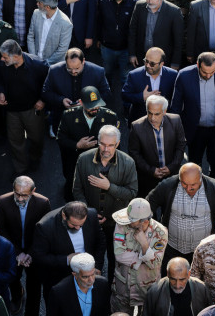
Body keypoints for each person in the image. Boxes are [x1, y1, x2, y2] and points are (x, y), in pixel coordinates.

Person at [73, 124, 138, 279]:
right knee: (88, 259)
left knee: (115, 259)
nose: (106, 149)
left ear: (117, 144)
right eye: (102, 144)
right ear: (98, 142)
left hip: (115, 223)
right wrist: (88, 212)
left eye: (111, 145)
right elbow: (77, 190)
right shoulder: (84, 159)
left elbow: (132, 194)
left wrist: (109, 187)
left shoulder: (128, 163)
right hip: (89, 221)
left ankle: (110, 292)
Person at [146, 163, 215, 267]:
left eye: (193, 185)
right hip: (172, 249)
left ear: (201, 179)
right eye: (184, 184)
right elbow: (149, 203)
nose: (188, 188)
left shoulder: (214, 186)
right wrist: (154, 229)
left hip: (204, 251)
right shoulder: (168, 185)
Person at [170, 51, 215, 176]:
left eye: (212, 72)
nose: (208, 75)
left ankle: (213, 189)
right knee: (194, 164)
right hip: (195, 129)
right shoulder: (184, 75)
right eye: (204, 72)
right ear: (197, 65)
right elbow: (176, 106)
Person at [31, 201, 107, 303]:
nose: (78, 228)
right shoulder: (45, 226)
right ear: (64, 215)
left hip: (88, 274)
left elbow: (101, 242)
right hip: (59, 276)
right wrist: (66, 259)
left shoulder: (92, 214)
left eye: (81, 225)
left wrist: (97, 266)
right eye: (73, 225)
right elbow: (39, 257)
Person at [0, 176, 52, 315]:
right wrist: (17, 253)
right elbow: (1, 230)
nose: (20, 198)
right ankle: (17, 296)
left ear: (33, 191)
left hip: (34, 250)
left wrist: (30, 253)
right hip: (12, 249)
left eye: (24, 195)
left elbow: (44, 232)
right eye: (17, 194)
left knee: (34, 286)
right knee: (12, 278)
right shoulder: (2, 201)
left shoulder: (43, 203)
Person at [57, 86, 118, 200]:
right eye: (90, 107)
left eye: (97, 105)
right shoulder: (68, 115)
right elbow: (60, 139)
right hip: (74, 160)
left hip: (100, 160)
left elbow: (116, 142)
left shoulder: (110, 117)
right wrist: (77, 145)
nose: (94, 109)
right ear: (81, 103)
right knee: (73, 188)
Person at [0, 39, 50, 174]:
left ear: (15, 57)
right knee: (15, 141)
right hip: (12, 111)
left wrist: (43, 100)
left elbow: (49, 85)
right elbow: (0, 81)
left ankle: (35, 158)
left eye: (5, 57)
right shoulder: (3, 65)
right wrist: (1, 92)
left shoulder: (39, 65)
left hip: (32, 110)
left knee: (36, 138)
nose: (2, 59)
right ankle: (20, 169)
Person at [110, 198, 168, 314]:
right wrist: (144, 257)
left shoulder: (160, 232)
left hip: (147, 288)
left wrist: (144, 244)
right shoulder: (122, 225)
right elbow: (119, 255)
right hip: (123, 287)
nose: (128, 221)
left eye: (132, 220)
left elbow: (155, 263)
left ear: (144, 221)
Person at [129, 95, 186, 197]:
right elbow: (134, 153)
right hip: (147, 178)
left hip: (171, 175)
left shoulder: (176, 120)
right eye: (149, 113)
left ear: (164, 111)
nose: (152, 118)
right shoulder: (136, 126)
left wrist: (171, 167)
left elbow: (180, 146)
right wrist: (151, 170)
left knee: (169, 208)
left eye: (157, 114)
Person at [42, 48, 111, 130]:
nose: (73, 71)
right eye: (69, 68)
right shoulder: (54, 71)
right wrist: (61, 100)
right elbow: (45, 92)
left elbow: (107, 94)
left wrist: (87, 103)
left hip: (89, 120)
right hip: (63, 119)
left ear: (83, 61)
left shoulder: (98, 71)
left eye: (77, 68)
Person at [128, 0, 184, 69]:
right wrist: (132, 54)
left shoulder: (174, 12)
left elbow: (178, 41)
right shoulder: (139, 6)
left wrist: (175, 63)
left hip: (163, 62)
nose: (150, 1)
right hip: (141, 59)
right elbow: (132, 31)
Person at [99, 0, 138, 86]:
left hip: (126, 50)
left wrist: (133, 51)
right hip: (107, 48)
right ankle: (107, 100)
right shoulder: (104, 1)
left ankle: (125, 102)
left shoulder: (134, 3)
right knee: (106, 75)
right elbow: (99, 22)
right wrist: (100, 40)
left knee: (126, 78)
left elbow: (136, 29)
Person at [123, 47, 178, 124]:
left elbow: (177, 100)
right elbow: (125, 95)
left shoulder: (173, 75)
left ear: (161, 64)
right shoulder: (134, 75)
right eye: (146, 61)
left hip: (164, 121)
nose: (148, 65)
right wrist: (142, 96)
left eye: (152, 64)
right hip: (140, 121)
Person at [47, 252, 112, 316]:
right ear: (75, 274)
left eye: (93, 274)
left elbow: (106, 311)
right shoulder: (59, 292)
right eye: (85, 277)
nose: (91, 280)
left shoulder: (103, 285)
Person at [143, 257, 211, 316]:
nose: (177, 285)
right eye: (173, 279)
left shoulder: (201, 289)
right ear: (167, 273)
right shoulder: (154, 291)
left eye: (182, 280)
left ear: (189, 274)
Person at [27, 0, 73, 65]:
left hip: (52, 66)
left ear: (47, 7)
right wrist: (34, 58)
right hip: (34, 62)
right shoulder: (36, 13)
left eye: (39, 3)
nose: (37, 4)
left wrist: (45, 63)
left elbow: (62, 50)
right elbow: (30, 36)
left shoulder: (66, 23)